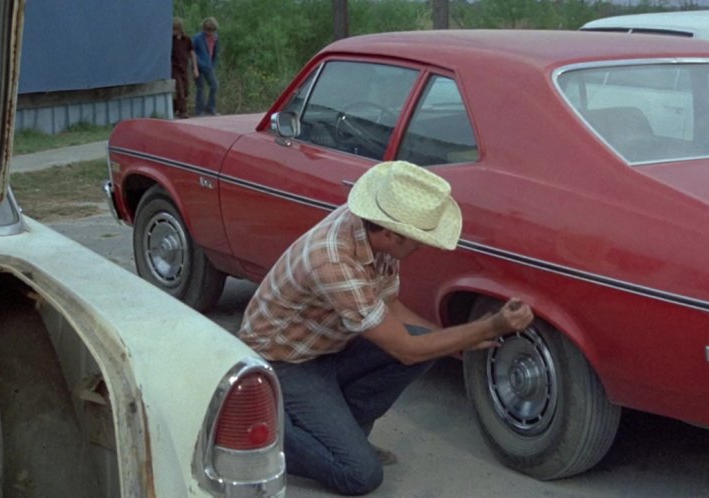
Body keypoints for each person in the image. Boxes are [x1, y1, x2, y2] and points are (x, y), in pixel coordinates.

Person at [237, 160, 535, 496]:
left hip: (324, 348)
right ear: (391, 234)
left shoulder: (374, 233)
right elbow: (404, 350)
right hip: (282, 364)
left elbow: (391, 307)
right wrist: (483, 328)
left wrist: (459, 341)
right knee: (360, 474)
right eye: (416, 240)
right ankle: (273, 438)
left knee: (427, 343)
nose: (423, 246)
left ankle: (337, 433)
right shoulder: (333, 259)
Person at [192, 17, 220, 116]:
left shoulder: (215, 38)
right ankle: (199, 110)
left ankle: (210, 107)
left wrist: (213, 65)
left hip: (208, 66)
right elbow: (192, 52)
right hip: (198, 66)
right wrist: (195, 68)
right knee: (200, 88)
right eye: (208, 30)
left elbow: (215, 53)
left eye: (212, 31)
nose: (210, 33)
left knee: (214, 85)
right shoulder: (197, 38)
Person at [171, 18, 197, 119]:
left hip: (184, 67)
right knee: (180, 89)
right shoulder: (170, 40)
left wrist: (195, 67)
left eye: (176, 29)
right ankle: (183, 112)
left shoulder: (186, 40)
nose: (174, 31)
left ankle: (174, 107)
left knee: (186, 91)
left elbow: (192, 53)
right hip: (174, 68)